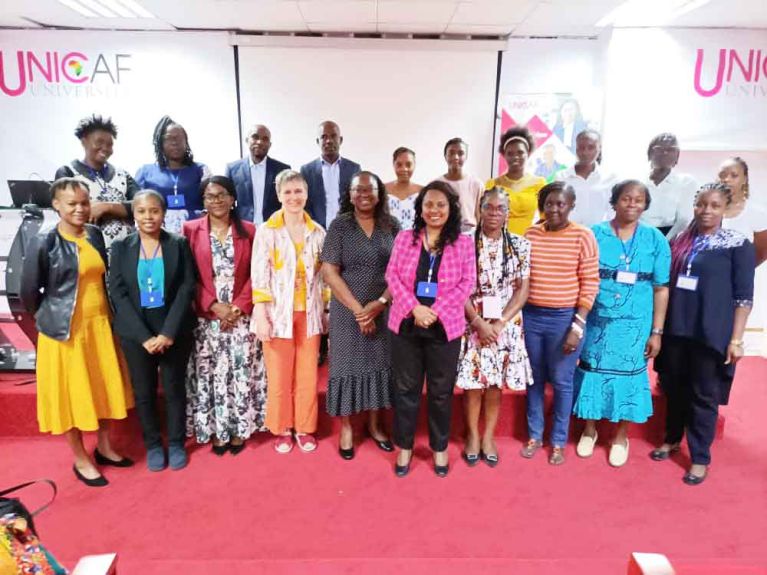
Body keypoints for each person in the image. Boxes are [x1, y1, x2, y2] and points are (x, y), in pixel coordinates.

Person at [20, 178, 134, 487]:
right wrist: (50, 321)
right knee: (73, 396)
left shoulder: (94, 235)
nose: (80, 209)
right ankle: (81, 457)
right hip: (65, 333)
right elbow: (29, 292)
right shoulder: (44, 241)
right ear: (56, 205)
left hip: (100, 326)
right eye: (72, 203)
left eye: (84, 202)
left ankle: (106, 447)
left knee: (103, 388)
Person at [651, 183, 755, 485]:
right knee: (674, 388)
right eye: (701, 204)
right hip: (677, 329)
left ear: (725, 208)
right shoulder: (682, 240)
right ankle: (671, 439)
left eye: (714, 205)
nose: (706, 211)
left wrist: (736, 339)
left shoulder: (737, 244)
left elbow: (743, 296)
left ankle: (699, 457)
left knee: (703, 394)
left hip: (711, 333)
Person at [573, 180, 670, 467]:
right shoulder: (595, 233)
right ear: (614, 201)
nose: (632, 204)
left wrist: (657, 331)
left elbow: (661, 287)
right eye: (626, 198)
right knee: (592, 373)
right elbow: (581, 277)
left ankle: (620, 437)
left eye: (638, 200)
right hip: (597, 319)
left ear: (645, 205)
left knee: (628, 379)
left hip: (635, 322)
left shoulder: (655, 240)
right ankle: (589, 430)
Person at [385, 181, 476, 478]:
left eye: (440, 205)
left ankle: (439, 448)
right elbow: (392, 276)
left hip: (444, 327)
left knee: (440, 392)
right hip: (406, 323)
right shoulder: (404, 238)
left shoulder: (463, 242)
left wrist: (434, 311)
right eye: (428, 204)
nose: (434, 210)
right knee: (406, 389)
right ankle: (406, 447)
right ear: (420, 208)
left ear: (451, 209)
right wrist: (415, 308)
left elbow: (467, 283)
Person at [108, 190, 196, 472]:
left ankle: (176, 443)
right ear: (134, 214)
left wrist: (168, 332)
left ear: (163, 213)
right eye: (143, 211)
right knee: (144, 391)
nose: (149, 217)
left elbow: (186, 288)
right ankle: (154, 445)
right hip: (137, 333)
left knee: (173, 389)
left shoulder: (178, 244)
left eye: (154, 211)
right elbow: (118, 293)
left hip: (173, 329)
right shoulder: (121, 246)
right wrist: (144, 337)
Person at [183, 176, 266, 455]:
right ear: (202, 201)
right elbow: (187, 276)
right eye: (209, 196)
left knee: (238, 372)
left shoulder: (251, 231)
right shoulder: (190, 230)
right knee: (213, 374)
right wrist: (213, 305)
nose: (216, 200)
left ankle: (239, 429)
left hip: (241, 317)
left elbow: (259, 272)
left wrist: (238, 306)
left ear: (233, 199)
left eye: (222, 195)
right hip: (207, 319)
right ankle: (217, 430)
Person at [321, 171, 400, 460]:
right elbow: (329, 271)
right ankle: (346, 428)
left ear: (380, 194)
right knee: (345, 367)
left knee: (379, 364)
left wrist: (379, 304)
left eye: (370, 189)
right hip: (347, 311)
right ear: (349, 194)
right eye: (358, 189)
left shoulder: (391, 225)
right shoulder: (340, 226)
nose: (364, 194)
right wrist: (359, 310)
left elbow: (402, 271)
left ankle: (376, 425)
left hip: (384, 307)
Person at [521, 182, 599, 465]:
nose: (554, 209)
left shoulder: (583, 236)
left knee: (563, 381)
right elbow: (522, 280)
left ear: (571, 205)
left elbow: (590, 282)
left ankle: (558, 441)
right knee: (534, 380)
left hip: (565, 319)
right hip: (532, 316)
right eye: (549, 203)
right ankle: (535, 435)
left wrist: (577, 326)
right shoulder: (530, 234)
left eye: (561, 204)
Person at [251, 169, 327, 454]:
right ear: (278, 194)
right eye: (288, 192)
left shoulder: (318, 231)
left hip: (309, 313)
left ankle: (305, 428)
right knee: (280, 375)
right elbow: (259, 274)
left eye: (298, 191)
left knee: (308, 374)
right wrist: (260, 312)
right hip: (276, 314)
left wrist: (327, 310)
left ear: (306, 194)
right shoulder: (267, 230)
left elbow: (324, 277)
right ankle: (282, 428)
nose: (294, 197)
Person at [456, 187, 532, 467]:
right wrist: (477, 322)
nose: (494, 213)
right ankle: (472, 436)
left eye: (500, 208)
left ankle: (488, 436)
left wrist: (499, 323)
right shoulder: (463, 243)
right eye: (489, 207)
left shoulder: (521, 245)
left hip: (505, 324)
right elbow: (455, 287)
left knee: (494, 384)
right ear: (480, 209)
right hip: (471, 321)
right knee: (473, 383)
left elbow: (523, 290)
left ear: (508, 213)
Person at [55, 114, 138, 251]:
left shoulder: (123, 175)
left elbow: (141, 205)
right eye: (99, 142)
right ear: (84, 141)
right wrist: (121, 209)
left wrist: (106, 207)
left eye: (109, 144)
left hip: (125, 253)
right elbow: (67, 210)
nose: (105, 148)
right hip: (84, 253)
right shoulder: (67, 173)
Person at [135, 116, 210, 234]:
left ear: (186, 141)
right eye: (169, 138)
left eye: (179, 138)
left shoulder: (201, 170)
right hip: (157, 233)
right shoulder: (145, 172)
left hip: (195, 232)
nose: (175, 142)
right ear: (160, 142)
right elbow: (136, 206)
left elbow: (211, 202)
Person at [225, 124, 291, 225]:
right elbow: (227, 202)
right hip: (243, 229)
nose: (260, 142)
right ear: (247, 140)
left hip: (274, 228)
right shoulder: (232, 169)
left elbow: (288, 202)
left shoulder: (282, 169)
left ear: (269, 144)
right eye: (255, 137)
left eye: (265, 139)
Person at [486, 127, 546, 235]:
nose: (515, 157)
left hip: (528, 242)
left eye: (520, 152)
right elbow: (486, 219)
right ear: (504, 155)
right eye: (510, 153)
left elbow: (545, 219)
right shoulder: (492, 184)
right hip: (499, 242)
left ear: (528, 153)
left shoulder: (539, 184)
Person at [301, 120, 361, 230]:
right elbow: (305, 204)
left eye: (333, 136)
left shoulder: (354, 169)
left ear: (340, 140)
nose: (329, 141)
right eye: (324, 137)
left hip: (347, 233)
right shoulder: (307, 171)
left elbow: (358, 203)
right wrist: (314, 229)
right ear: (317, 141)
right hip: (317, 233)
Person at [641, 133, 698, 238]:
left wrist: (663, 242)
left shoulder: (686, 182)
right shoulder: (637, 182)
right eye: (659, 149)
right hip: (637, 237)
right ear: (649, 153)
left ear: (677, 156)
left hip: (670, 239)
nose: (665, 153)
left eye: (671, 149)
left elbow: (684, 220)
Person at [557, 129, 617, 227]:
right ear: (576, 149)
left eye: (591, 147)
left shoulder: (610, 178)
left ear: (600, 148)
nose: (585, 152)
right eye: (581, 147)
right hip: (568, 235)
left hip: (598, 237)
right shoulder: (562, 177)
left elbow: (612, 213)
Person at [719, 157, 767, 266]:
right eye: (722, 175)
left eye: (734, 175)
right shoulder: (708, 209)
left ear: (744, 179)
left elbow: (762, 252)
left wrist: (741, 270)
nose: (727, 179)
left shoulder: (756, 212)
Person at [437, 138, 484, 233]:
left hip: (469, 234)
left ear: (466, 156)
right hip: (444, 233)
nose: (456, 157)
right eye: (451, 153)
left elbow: (480, 216)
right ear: (445, 156)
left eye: (460, 153)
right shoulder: (436, 184)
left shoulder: (476, 184)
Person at [385, 147, 422, 230]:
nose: (404, 169)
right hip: (388, 240)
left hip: (415, 240)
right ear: (393, 164)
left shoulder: (423, 191)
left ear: (414, 165)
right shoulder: (383, 190)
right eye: (399, 165)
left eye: (408, 165)